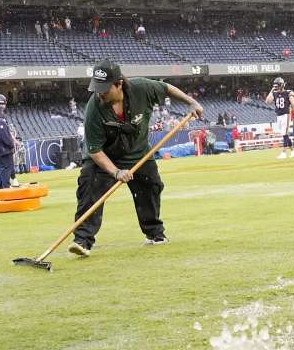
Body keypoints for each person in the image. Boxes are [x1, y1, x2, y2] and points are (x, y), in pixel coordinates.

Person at [68, 60, 202, 258]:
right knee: (89, 187)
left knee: (151, 187)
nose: (100, 93)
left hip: (139, 152)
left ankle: (154, 234)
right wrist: (115, 172)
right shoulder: (94, 108)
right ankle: (82, 241)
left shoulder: (142, 88)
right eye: (97, 88)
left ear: (119, 84)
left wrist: (191, 102)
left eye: (104, 89)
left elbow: (167, 88)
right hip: (105, 156)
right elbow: (95, 150)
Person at [265, 77, 294, 159]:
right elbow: (267, 101)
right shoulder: (275, 93)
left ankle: (284, 152)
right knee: (284, 134)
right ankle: (293, 151)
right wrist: (272, 90)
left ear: (282, 85)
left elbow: (293, 105)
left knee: (284, 134)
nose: (276, 87)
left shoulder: (288, 93)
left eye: (277, 85)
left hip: (286, 115)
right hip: (278, 116)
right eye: (275, 86)